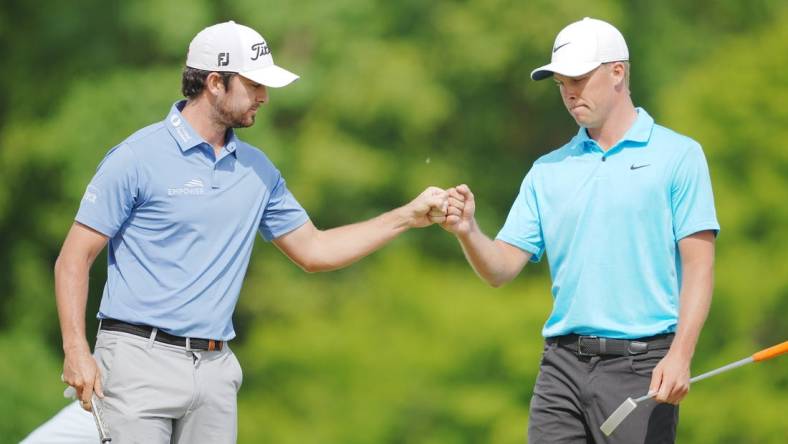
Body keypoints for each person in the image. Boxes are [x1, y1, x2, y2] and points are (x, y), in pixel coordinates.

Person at [55, 20, 452, 443]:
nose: (264, 96)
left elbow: (315, 250)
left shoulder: (258, 170)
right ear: (214, 82)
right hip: (137, 360)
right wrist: (76, 350)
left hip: (214, 370)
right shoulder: (136, 157)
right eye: (254, 84)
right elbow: (73, 259)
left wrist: (407, 216)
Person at [440, 17, 719, 443]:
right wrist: (468, 231)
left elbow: (699, 267)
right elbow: (500, 269)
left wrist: (681, 354)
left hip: (642, 366)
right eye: (560, 83)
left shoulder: (678, 156)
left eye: (579, 78)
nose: (569, 92)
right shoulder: (547, 171)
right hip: (561, 368)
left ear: (617, 72)